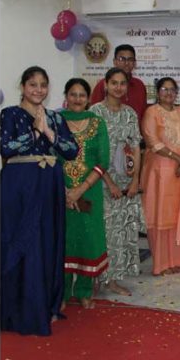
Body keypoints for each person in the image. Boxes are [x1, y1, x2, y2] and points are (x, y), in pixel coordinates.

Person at [1, 66, 79, 335]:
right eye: (32, 84)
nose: (38, 90)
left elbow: (71, 151)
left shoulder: (56, 118)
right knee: (23, 241)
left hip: (49, 185)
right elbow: (4, 147)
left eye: (43, 85)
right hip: (20, 185)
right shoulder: (9, 114)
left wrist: (48, 132)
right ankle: (17, 309)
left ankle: (46, 305)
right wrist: (34, 132)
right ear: (22, 87)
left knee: (48, 242)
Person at [90, 68, 143, 296]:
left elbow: (138, 148)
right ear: (106, 85)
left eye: (122, 83)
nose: (118, 87)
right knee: (105, 231)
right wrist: (109, 182)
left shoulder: (130, 113)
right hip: (101, 181)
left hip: (126, 181)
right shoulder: (95, 113)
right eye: (114, 83)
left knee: (123, 231)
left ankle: (114, 280)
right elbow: (92, 152)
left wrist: (135, 181)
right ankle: (96, 278)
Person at [59, 78, 110, 310]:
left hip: (90, 191)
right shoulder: (56, 121)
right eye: (73, 94)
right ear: (66, 96)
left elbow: (103, 161)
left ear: (89, 99)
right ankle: (60, 294)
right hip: (60, 191)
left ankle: (84, 291)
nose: (77, 99)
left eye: (82, 95)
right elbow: (50, 156)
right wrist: (65, 191)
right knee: (64, 239)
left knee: (89, 239)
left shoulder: (97, 123)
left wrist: (80, 189)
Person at [140, 77, 180, 275]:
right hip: (160, 174)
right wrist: (179, 159)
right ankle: (161, 264)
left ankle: (178, 260)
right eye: (164, 89)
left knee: (178, 216)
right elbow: (152, 141)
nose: (168, 93)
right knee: (160, 217)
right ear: (158, 92)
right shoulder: (152, 112)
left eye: (172, 90)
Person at [90, 44, 148, 124]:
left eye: (130, 59)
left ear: (134, 63)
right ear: (115, 62)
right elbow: (93, 115)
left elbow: (143, 115)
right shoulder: (103, 84)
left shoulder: (139, 85)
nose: (126, 63)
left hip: (135, 133)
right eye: (122, 59)